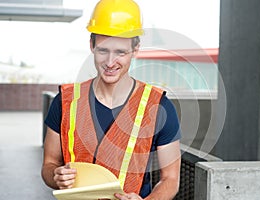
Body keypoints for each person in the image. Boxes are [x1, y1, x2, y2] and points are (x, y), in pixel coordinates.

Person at [41, 0, 181, 199]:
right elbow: (49, 164)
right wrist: (56, 176)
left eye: (120, 52)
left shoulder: (158, 106)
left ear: (135, 49)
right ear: (92, 45)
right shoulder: (65, 101)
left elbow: (171, 179)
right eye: (103, 50)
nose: (110, 62)